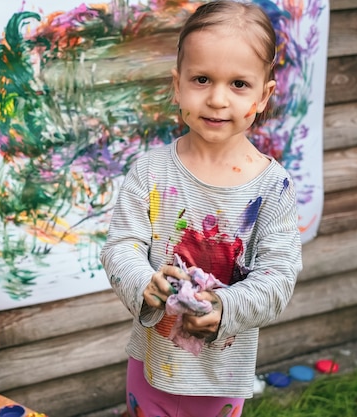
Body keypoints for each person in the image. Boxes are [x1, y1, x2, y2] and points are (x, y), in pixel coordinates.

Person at [99, 1, 303, 416]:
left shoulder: (272, 186)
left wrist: (225, 307)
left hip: (221, 373)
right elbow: (121, 245)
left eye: (239, 85)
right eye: (202, 79)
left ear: (264, 95)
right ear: (178, 86)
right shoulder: (151, 171)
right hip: (152, 364)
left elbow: (279, 278)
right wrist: (145, 283)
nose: (216, 99)